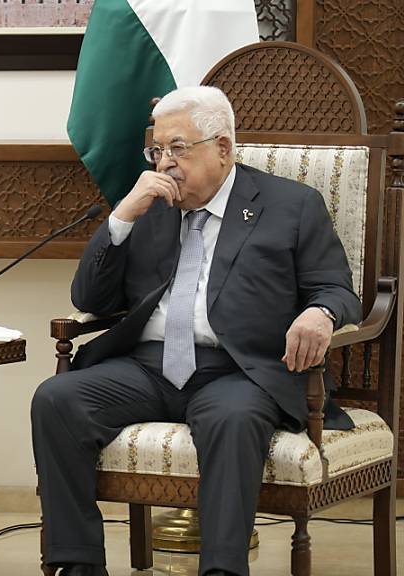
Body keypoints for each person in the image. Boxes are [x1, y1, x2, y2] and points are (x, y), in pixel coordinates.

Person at [31, 86, 360, 576]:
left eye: (178, 149)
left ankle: (222, 570)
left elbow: (336, 288)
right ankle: (77, 563)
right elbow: (90, 301)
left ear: (222, 148)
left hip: (241, 370)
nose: (165, 163)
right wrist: (122, 217)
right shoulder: (152, 207)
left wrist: (320, 314)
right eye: (158, 151)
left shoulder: (291, 206)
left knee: (233, 418)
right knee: (56, 399)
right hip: (150, 367)